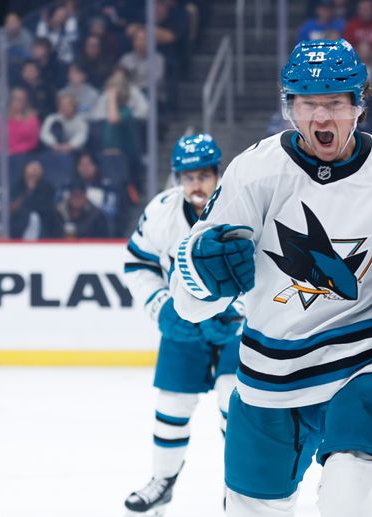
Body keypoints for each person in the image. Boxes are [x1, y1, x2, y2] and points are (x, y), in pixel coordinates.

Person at [170, 38, 372, 517]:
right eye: (308, 104)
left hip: (360, 367)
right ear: (289, 107)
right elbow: (189, 303)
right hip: (267, 374)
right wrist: (200, 272)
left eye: (335, 103)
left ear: (359, 105)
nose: (321, 118)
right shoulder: (253, 172)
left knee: (352, 504)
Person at [122, 133, 244, 515]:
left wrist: (237, 311)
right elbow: (137, 264)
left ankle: (240, 490)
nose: (195, 184)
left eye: (203, 176)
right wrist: (163, 308)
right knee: (172, 403)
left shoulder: (242, 206)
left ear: (216, 174)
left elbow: (268, 269)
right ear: (177, 179)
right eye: (187, 177)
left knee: (233, 400)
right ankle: (163, 482)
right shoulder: (162, 210)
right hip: (184, 324)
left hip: (237, 328)